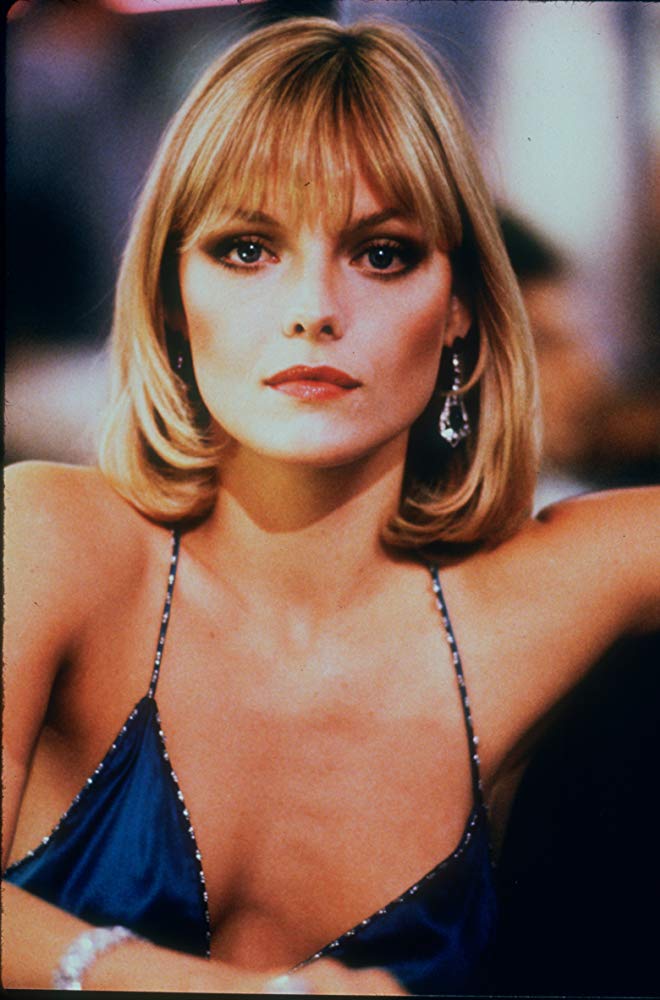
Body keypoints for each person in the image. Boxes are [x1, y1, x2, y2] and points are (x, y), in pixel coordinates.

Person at [3, 16, 658, 996]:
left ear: (460, 309)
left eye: (382, 254)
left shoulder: (541, 596)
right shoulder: (54, 538)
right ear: (171, 295)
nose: (313, 307)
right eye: (247, 249)